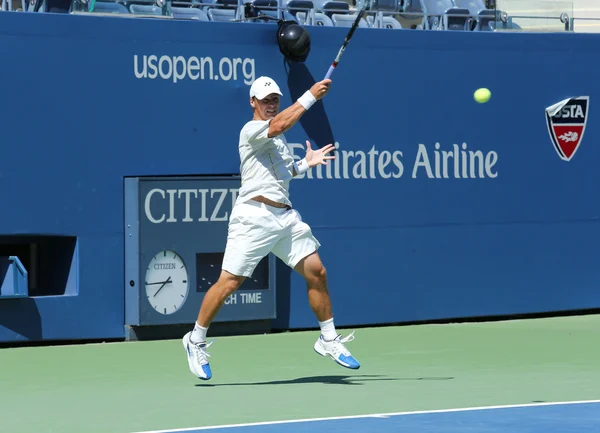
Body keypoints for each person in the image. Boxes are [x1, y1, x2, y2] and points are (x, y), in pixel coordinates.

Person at [182, 76, 360, 381]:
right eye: (265, 100)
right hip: (252, 217)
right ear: (253, 102)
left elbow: (282, 174)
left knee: (317, 271)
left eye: (274, 99)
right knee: (229, 283)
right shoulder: (251, 130)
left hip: (285, 218)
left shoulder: (278, 143)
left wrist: (306, 163)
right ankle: (195, 339)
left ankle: (328, 339)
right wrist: (310, 96)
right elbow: (279, 126)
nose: (271, 105)